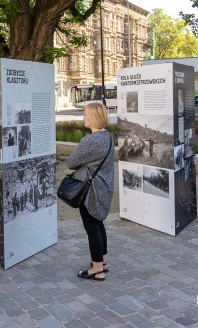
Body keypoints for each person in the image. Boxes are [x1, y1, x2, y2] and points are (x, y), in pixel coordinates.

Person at [66, 103, 115, 281]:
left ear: (93, 118)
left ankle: (97, 270)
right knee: (98, 224)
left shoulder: (91, 141)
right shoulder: (107, 137)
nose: (84, 118)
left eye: (86, 115)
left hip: (91, 191)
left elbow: (70, 162)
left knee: (92, 228)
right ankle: (103, 261)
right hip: (103, 188)